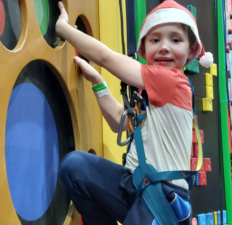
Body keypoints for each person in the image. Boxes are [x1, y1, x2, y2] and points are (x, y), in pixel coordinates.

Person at [56, 1, 213, 224]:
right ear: (144, 48)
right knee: (75, 168)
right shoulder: (149, 93)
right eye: (155, 40)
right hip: (135, 185)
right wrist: (99, 84)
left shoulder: (173, 81)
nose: (164, 47)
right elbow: (120, 121)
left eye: (175, 39)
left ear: (191, 51)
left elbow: (106, 58)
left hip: (162, 197)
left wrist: (63, 28)